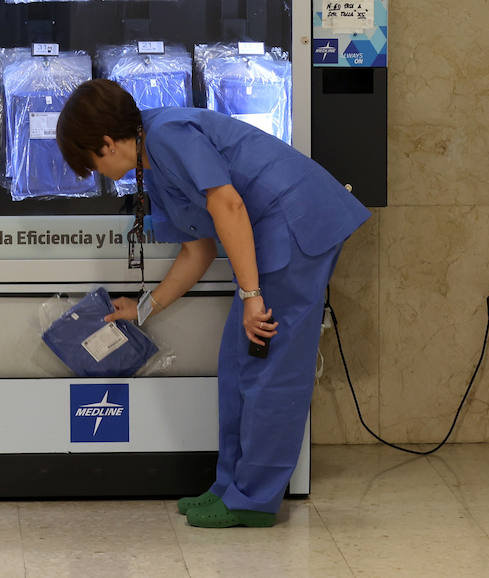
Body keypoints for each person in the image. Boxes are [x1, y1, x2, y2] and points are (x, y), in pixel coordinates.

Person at [55, 79, 369, 528]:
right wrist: (144, 308)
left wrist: (252, 297)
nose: (97, 174)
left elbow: (228, 205)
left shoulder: (167, 135)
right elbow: (197, 251)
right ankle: (230, 487)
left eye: (90, 162)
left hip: (295, 225)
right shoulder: (151, 164)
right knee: (239, 364)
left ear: (106, 143)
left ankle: (253, 500)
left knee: (269, 365)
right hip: (271, 236)